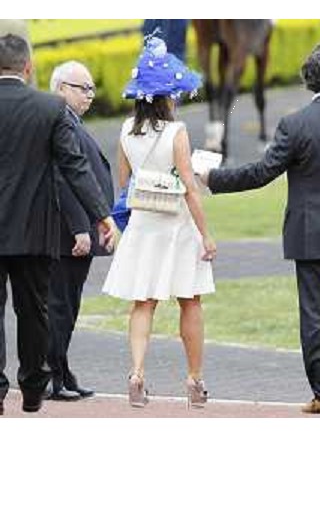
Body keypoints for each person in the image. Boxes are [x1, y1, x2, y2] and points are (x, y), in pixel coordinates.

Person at [200, 42, 320, 416]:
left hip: (311, 235)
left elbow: (261, 174)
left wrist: (213, 178)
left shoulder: (294, 124)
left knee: (315, 317)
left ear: (310, 82)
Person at [0, 34, 117, 414]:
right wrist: (102, 216)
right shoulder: (49, 108)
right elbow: (74, 166)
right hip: (35, 230)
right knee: (34, 311)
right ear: (28, 68)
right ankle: (33, 388)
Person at [102, 36, 216, 409]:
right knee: (190, 300)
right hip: (177, 227)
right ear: (168, 96)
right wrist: (206, 234)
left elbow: (124, 182)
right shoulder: (176, 132)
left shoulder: (124, 130)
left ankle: (136, 373)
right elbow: (189, 188)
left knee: (143, 302)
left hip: (143, 224)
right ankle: (195, 381)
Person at [45, 61, 115, 401]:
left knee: (68, 304)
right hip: (66, 232)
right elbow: (62, 176)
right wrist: (78, 228)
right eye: (81, 88)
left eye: (91, 88)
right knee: (59, 304)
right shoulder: (60, 123)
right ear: (60, 88)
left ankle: (61, 368)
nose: (89, 95)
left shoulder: (71, 122)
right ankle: (50, 375)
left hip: (78, 230)